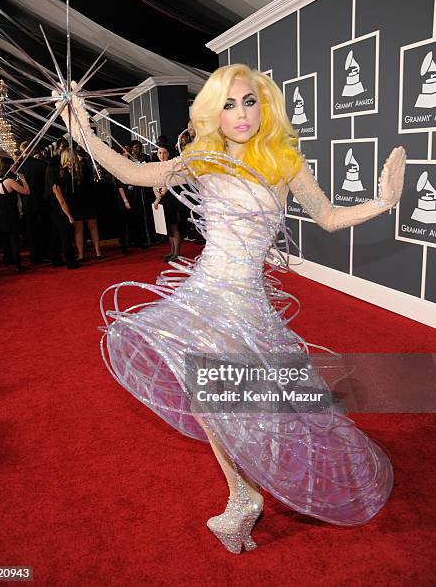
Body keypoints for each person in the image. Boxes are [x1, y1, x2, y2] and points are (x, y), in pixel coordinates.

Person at [53, 65, 406, 554]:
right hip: (206, 295)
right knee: (211, 394)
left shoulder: (285, 162)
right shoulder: (204, 158)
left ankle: (245, 492)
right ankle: (241, 494)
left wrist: (383, 202)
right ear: (212, 113)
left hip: (249, 302)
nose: (240, 114)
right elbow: (135, 173)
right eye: (228, 104)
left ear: (264, 106)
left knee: (252, 399)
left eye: (248, 102)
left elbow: (327, 217)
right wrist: (84, 131)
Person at [0, 156, 30, 273]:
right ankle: (18, 265)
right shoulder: (10, 181)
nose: (15, 167)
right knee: (14, 240)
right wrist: (23, 179)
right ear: (8, 166)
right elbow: (27, 191)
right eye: (13, 165)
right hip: (9, 214)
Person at [61, 149, 102, 261]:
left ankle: (80, 254)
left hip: (75, 202)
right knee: (93, 227)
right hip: (88, 200)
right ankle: (98, 252)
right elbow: (92, 184)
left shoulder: (65, 172)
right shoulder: (85, 168)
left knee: (78, 229)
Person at [152, 145, 186, 261]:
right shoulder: (156, 167)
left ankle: (176, 253)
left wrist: (158, 198)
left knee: (173, 226)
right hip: (161, 199)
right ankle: (172, 251)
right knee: (168, 228)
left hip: (170, 198)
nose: (162, 155)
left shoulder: (171, 166)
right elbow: (153, 182)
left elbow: (168, 183)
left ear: (168, 154)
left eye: (164, 153)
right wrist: (156, 194)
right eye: (160, 153)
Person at [44, 157, 79, 269]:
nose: (62, 171)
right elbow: (62, 202)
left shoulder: (49, 184)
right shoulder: (56, 186)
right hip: (60, 213)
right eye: (60, 169)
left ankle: (56, 260)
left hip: (54, 213)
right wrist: (69, 216)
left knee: (55, 237)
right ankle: (71, 262)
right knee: (65, 238)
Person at [18, 141, 49, 264]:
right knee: (43, 230)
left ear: (22, 151)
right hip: (41, 201)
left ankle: (34, 256)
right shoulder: (42, 165)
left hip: (26, 203)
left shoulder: (20, 167)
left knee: (31, 231)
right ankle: (44, 254)